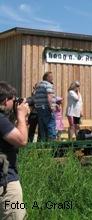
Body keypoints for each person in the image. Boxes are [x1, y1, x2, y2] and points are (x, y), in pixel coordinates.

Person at [0, 81, 29, 220]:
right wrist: (21, 116)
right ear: (6, 101)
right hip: (6, 185)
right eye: (13, 99)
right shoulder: (0, 120)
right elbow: (22, 140)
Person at [34, 72, 55, 141]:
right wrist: (52, 107)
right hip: (46, 108)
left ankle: (43, 144)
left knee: (42, 127)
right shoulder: (48, 85)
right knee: (50, 124)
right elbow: (49, 96)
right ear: (47, 78)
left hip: (39, 108)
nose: (52, 78)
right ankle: (52, 143)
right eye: (51, 76)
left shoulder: (39, 85)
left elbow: (36, 97)